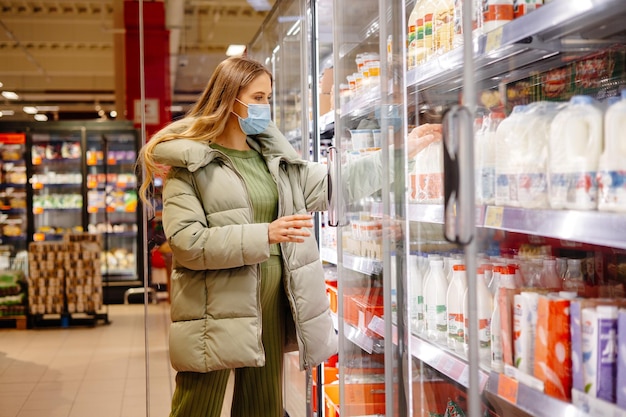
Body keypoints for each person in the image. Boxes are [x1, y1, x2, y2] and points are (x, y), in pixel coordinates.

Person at [137, 56, 442, 417]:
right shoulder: (190, 168)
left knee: (262, 408)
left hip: (268, 306)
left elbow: (335, 182)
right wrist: (266, 234)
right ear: (230, 98)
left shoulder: (273, 159)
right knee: (196, 408)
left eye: (268, 97)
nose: (266, 106)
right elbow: (188, 243)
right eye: (259, 97)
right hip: (213, 308)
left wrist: (400, 153)